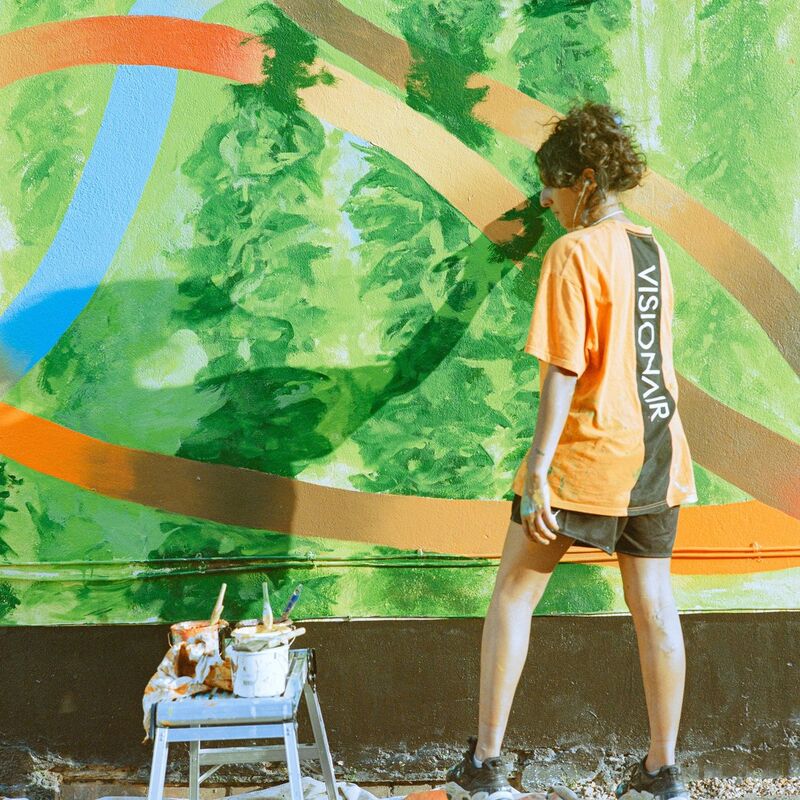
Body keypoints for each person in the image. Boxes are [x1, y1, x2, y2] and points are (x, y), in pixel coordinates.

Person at [446, 102, 697, 800]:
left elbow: (562, 370)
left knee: (513, 596)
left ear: (585, 180)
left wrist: (537, 472)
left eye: (552, 188)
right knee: (654, 605)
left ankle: (485, 768)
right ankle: (662, 773)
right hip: (658, 455)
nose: (547, 202)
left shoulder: (572, 253)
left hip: (589, 456)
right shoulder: (651, 251)